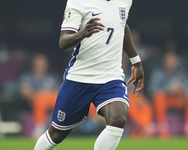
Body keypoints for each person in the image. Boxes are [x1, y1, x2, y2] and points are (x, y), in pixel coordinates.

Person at [34, 0, 144, 150]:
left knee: (118, 119)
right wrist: (82, 33)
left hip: (111, 77)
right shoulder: (78, 1)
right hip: (79, 78)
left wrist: (136, 62)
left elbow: (121, 26)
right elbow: (63, 42)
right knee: (57, 134)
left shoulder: (124, 1)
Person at [148, 49, 188, 137]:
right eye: (168, 59)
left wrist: (181, 89)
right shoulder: (158, 72)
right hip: (164, 100)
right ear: (164, 61)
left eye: (173, 59)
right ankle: (162, 128)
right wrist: (167, 89)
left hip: (178, 100)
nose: (171, 62)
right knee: (159, 97)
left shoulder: (181, 72)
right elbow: (151, 90)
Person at [20, 54, 60, 138]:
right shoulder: (28, 77)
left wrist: (45, 94)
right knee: (40, 98)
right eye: (38, 65)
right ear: (33, 65)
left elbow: (59, 92)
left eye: (42, 65)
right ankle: (39, 128)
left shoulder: (51, 77)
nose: (40, 67)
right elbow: (25, 93)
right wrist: (40, 94)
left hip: (52, 103)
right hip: (34, 103)